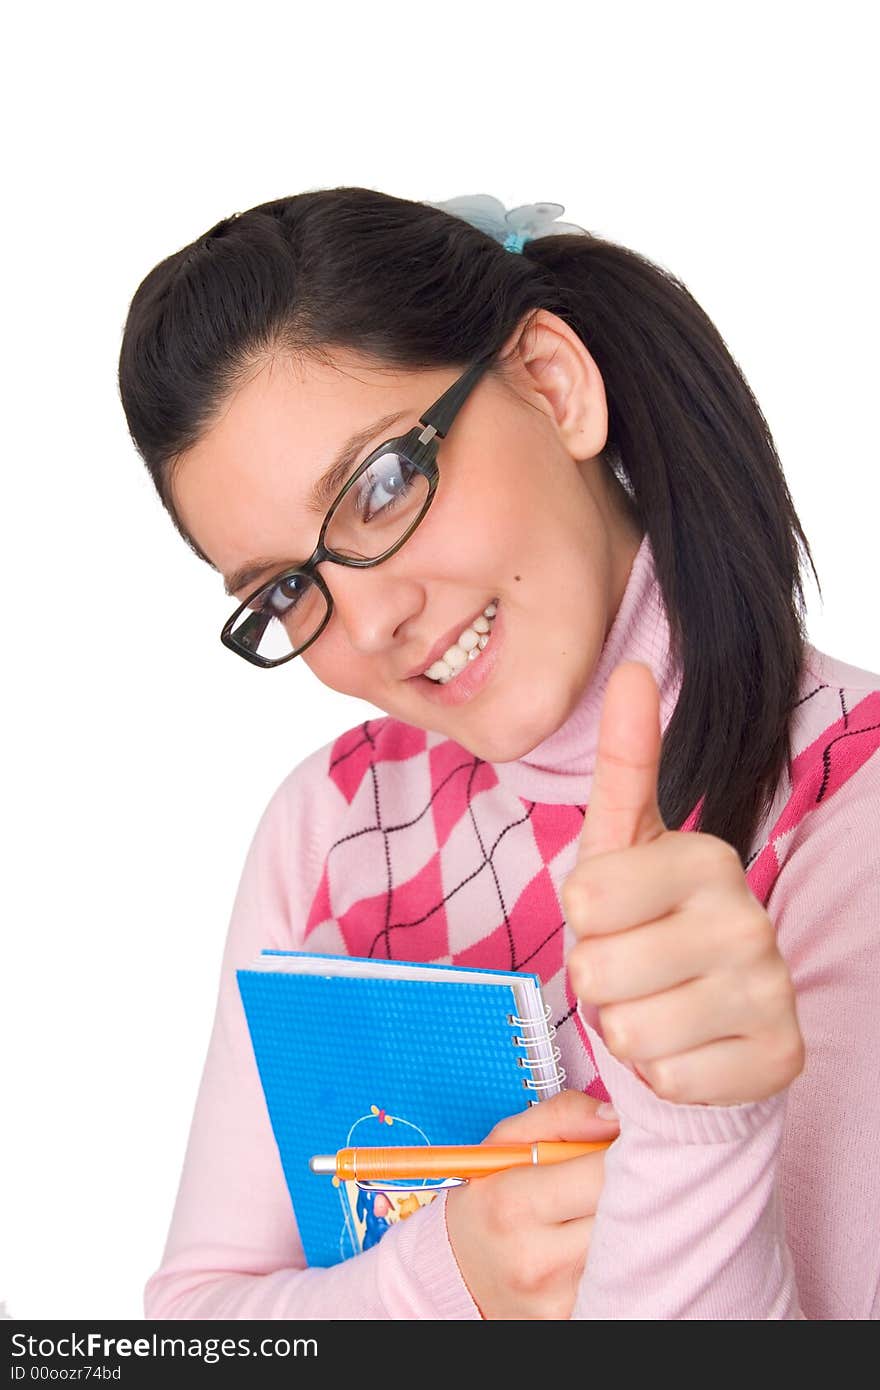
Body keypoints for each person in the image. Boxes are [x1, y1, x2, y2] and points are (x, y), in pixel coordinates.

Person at [118, 187, 880, 1320]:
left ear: (552, 384)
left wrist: (696, 1125)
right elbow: (191, 1328)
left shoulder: (844, 808)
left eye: (379, 486)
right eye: (288, 589)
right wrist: (443, 1278)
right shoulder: (333, 821)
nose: (368, 621)